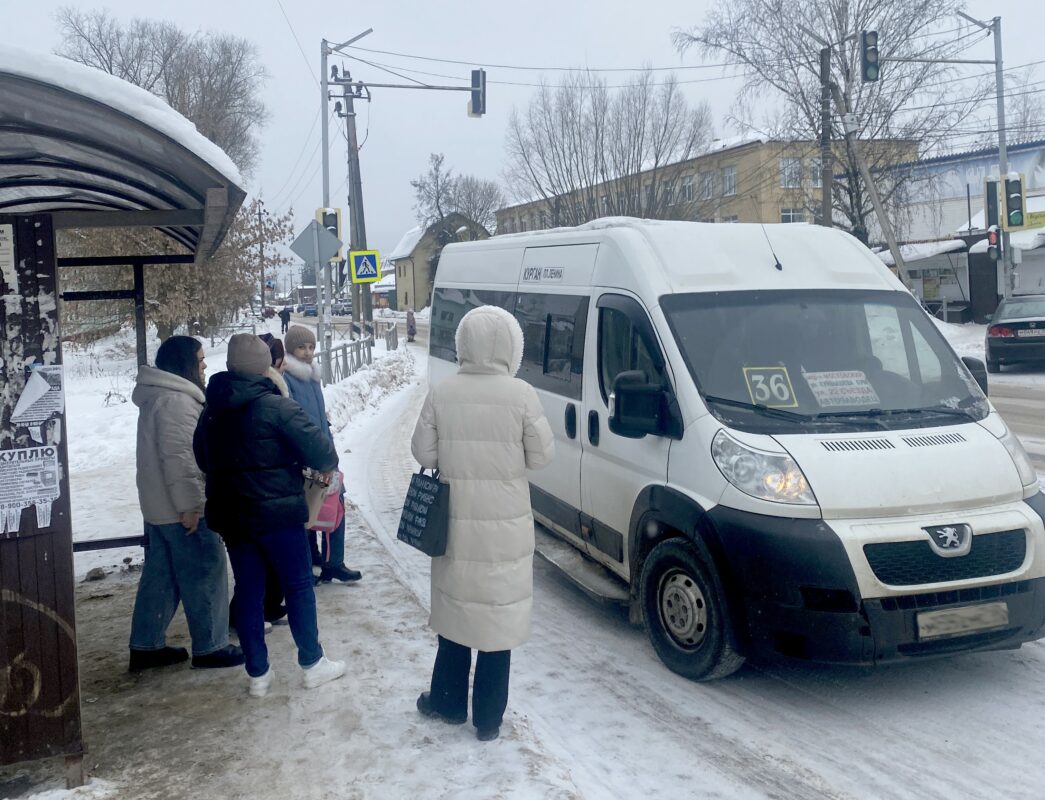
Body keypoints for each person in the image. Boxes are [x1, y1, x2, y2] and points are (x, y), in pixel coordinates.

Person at [410, 305, 554, 742]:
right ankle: (489, 720)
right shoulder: (522, 394)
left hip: (455, 521)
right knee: (497, 624)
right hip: (506, 525)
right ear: (511, 346)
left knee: (457, 613)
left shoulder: (443, 391)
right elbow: (543, 457)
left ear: (463, 345)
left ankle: (449, 703)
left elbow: (424, 454)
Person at [193, 334, 346, 697]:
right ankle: (312, 663)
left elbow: (202, 459)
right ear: (265, 366)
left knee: (248, 589)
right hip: (279, 518)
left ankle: (258, 674)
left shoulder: (211, 411)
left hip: (235, 518)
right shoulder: (277, 408)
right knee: (297, 585)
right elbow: (324, 454)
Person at [128, 335, 244, 672]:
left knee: (162, 577)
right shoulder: (176, 402)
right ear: (185, 364)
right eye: (200, 359)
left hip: (159, 507)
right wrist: (192, 506)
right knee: (207, 568)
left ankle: (146, 644)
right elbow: (182, 460)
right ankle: (211, 646)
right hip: (181, 509)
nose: (205, 365)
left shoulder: (158, 397)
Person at [283, 325, 362, 584]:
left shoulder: (313, 376)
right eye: (301, 347)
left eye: (311, 347)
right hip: (306, 456)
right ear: (290, 349)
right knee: (310, 511)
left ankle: (333, 562)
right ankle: (309, 563)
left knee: (335, 504)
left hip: (324, 451)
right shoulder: (287, 379)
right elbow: (294, 420)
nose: (307, 353)